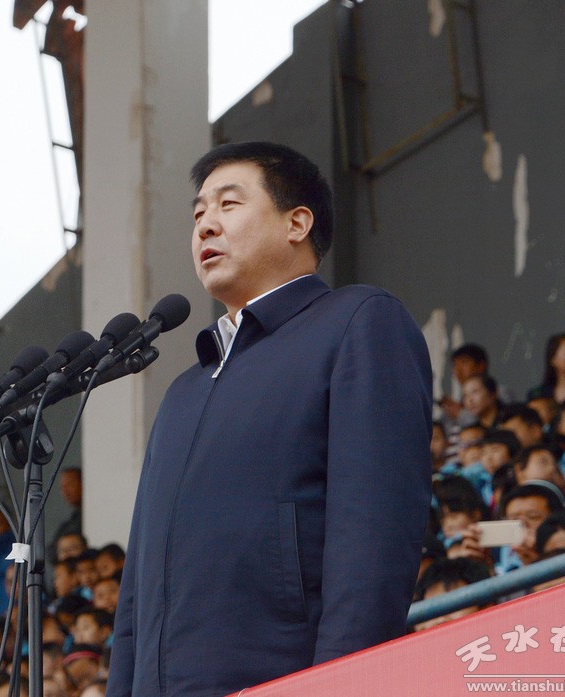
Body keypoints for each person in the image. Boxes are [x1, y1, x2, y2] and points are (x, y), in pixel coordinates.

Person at [106, 142, 432, 697]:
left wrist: (338, 686)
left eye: (228, 204)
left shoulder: (356, 323)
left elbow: (373, 541)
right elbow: (136, 595)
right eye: (198, 214)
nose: (206, 225)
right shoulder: (182, 393)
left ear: (297, 224)